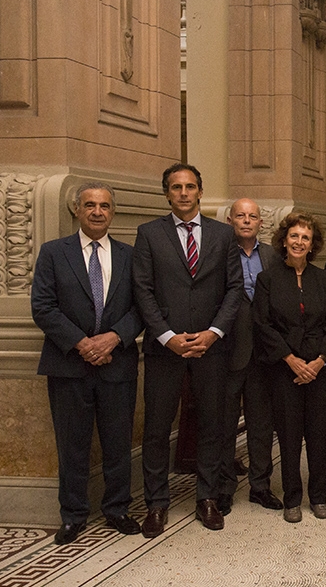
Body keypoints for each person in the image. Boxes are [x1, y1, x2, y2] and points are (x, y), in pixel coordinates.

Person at [31, 183, 145, 545]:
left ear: (113, 212)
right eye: (90, 205)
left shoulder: (130, 256)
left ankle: (117, 509)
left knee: (117, 442)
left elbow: (142, 306)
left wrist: (112, 338)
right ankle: (73, 515)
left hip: (117, 364)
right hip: (69, 366)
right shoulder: (53, 253)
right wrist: (82, 344)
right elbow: (43, 307)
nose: (98, 212)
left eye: (105, 206)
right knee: (72, 444)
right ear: (77, 210)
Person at [133, 163, 242, 537]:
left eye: (190, 186)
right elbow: (142, 290)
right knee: (157, 429)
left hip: (211, 348)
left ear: (200, 191)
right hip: (165, 348)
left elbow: (234, 289)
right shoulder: (148, 234)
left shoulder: (223, 235)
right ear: (167, 193)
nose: (183, 193)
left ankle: (207, 498)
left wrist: (213, 333)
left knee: (212, 425)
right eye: (176, 187)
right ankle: (157, 504)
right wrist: (167, 336)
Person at [253, 213, 326, 523]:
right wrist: (290, 360)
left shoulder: (325, 279)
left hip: (320, 370)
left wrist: (319, 361)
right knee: (289, 437)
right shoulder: (268, 280)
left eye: (305, 237)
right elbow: (263, 324)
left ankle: (318, 497)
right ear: (284, 240)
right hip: (284, 369)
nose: (299, 242)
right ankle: (292, 498)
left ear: (312, 243)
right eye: (294, 236)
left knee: (318, 435)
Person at [220, 198, 283, 512]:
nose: (247, 221)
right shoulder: (218, 251)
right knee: (224, 424)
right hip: (227, 352)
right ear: (230, 220)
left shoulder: (273, 255)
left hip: (264, 354)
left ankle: (260, 486)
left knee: (261, 425)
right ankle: (223, 489)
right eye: (240, 216)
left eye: (253, 216)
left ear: (261, 223)